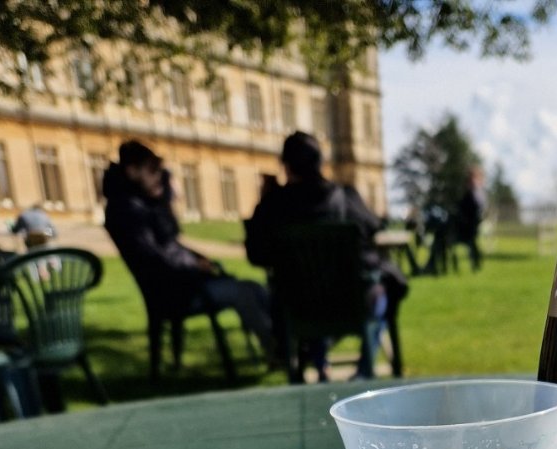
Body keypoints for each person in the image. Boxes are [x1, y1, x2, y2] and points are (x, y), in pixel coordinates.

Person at [245, 130, 407, 381]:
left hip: (299, 308)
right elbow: (374, 226)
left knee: (305, 291)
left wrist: (266, 200)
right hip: (354, 303)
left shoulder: (274, 205)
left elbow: (256, 254)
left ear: (286, 167)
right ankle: (363, 370)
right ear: (321, 163)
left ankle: (320, 367)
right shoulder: (345, 197)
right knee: (387, 288)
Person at [102, 140, 273, 356]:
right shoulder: (128, 210)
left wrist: (196, 259)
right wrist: (194, 265)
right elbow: (154, 256)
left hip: (182, 283)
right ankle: (278, 351)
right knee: (245, 292)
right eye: (153, 171)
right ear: (132, 171)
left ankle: (280, 345)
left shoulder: (141, 205)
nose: (157, 177)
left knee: (254, 288)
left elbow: (170, 241)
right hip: (177, 291)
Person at [454, 165, 486, 271]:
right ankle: (476, 263)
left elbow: (474, 208)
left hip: (470, 224)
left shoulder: (475, 193)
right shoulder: (472, 192)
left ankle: (476, 263)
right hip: (468, 223)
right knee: (472, 244)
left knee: (471, 244)